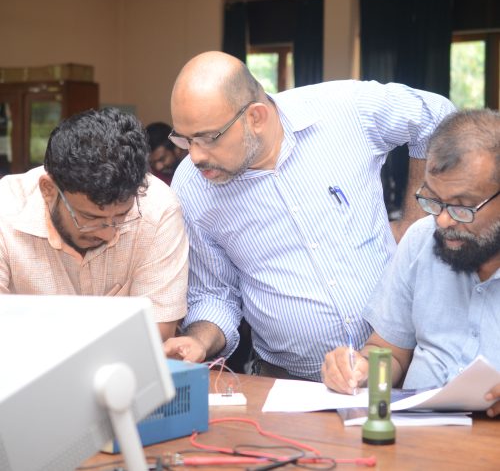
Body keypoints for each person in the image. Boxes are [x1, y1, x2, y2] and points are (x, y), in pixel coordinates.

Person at [163, 51, 455, 381]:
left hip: (397, 367)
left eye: (207, 138)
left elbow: (436, 116)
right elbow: (214, 294)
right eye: (184, 139)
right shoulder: (192, 186)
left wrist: (415, 224)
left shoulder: (344, 110)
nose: (195, 156)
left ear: (256, 117)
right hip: (290, 384)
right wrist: (198, 341)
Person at [321, 109, 500, 417]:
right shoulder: (421, 239)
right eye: (433, 200)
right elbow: (390, 353)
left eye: (463, 207)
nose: (442, 221)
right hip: (413, 431)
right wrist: (360, 369)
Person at [0, 107, 189, 342]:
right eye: (90, 219)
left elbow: (157, 332)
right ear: (48, 190)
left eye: (121, 216)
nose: (108, 234)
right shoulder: (5, 211)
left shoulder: (157, 209)